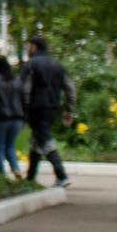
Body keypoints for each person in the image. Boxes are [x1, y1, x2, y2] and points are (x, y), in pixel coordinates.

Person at [20, 35, 72, 185]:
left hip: (36, 108)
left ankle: (61, 175)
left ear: (34, 47)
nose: (27, 49)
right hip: (53, 108)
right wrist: (69, 109)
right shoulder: (57, 65)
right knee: (37, 140)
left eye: (28, 46)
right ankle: (30, 178)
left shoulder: (30, 65)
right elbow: (70, 88)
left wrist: (23, 110)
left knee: (44, 139)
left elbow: (25, 90)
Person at [0, 53, 26, 176]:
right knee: (10, 146)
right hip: (18, 119)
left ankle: (0, 174)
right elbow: (24, 100)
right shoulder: (17, 82)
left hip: (0, 118)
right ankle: (16, 169)